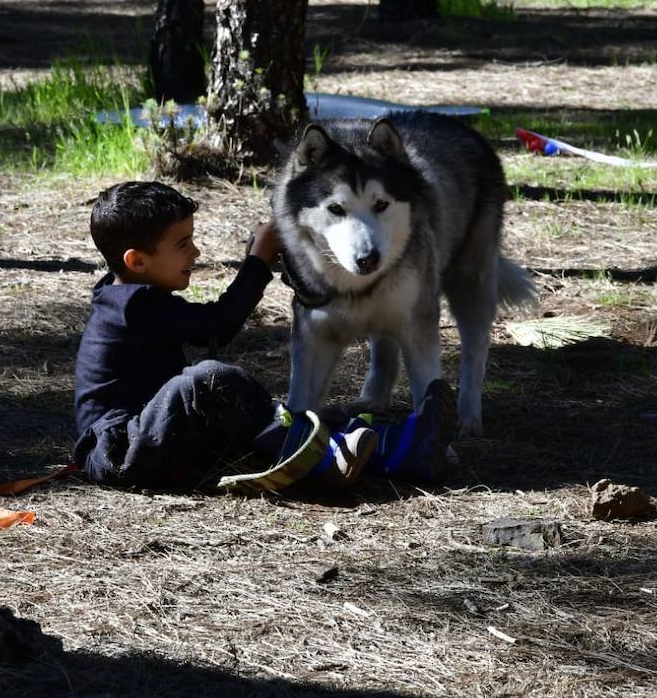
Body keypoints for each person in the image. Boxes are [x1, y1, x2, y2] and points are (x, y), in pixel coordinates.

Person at [73, 180, 457, 492]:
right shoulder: (132, 305)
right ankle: (325, 457)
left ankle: (400, 449)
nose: (196, 251)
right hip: (120, 449)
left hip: (155, 438)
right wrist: (258, 260)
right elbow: (219, 325)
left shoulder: (131, 298)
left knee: (257, 412)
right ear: (136, 261)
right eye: (182, 244)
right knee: (207, 381)